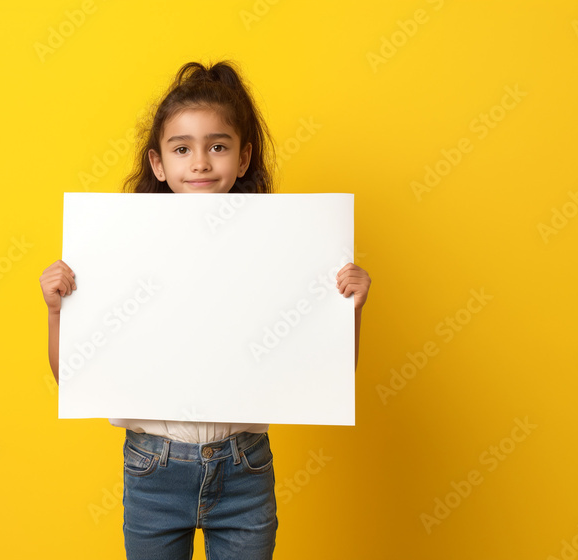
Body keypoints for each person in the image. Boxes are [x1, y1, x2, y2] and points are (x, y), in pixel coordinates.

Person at [39, 61, 371, 560]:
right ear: (158, 163)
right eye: (182, 149)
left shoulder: (279, 250)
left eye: (217, 146)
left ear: (243, 158)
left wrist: (351, 307)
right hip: (153, 467)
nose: (200, 162)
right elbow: (72, 376)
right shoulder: (118, 251)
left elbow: (329, 374)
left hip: (245, 468)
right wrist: (57, 312)